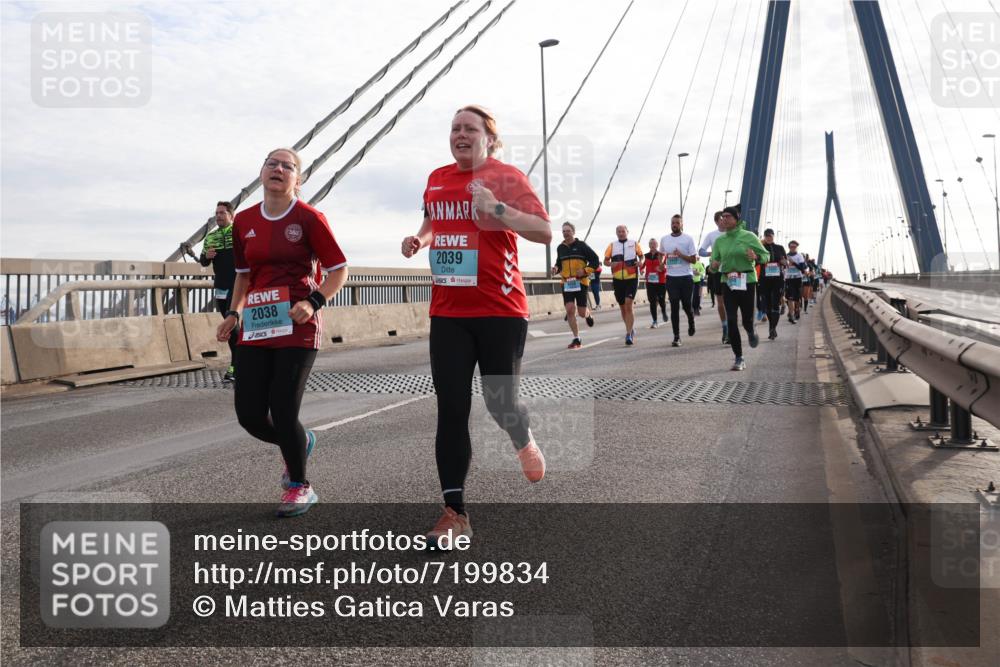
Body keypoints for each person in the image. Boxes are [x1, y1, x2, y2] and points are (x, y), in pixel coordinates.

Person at [401, 105, 551, 548]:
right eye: (454, 128)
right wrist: (420, 239)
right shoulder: (436, 178)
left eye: (470, 128)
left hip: (501, 310)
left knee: (499, 402)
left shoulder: (506, 176)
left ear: (490, 139)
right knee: (451, 409)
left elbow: (543, 231)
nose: (460, 134)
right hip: (448, 311)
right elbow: (433, 220)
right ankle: (455, 512)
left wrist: (497, 207)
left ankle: (521, 436)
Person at [217, 148, 349, 517]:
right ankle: (300, 441)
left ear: (298, 179)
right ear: (260, 172)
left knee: (284, 407)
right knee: (249, 415)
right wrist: (233, 313)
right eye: (271, 163)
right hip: (258, 325)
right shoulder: (242, 221)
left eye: (287, 166)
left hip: (297, 323)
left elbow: (339, 269)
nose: (278, 169)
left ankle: (299, 486)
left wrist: (314, 301)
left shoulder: (309, 218)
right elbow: (244, 275)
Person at [710, 205, 769, 371]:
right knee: (731, 320)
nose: (724, 219)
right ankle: (739, 357)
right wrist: (713, 265)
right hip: (728, 281)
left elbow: (766, 256)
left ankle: (751, 331)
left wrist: (756, 256)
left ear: (736, 219)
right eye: (722, 216)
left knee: (746, 320)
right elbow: (713, 266)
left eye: (728, 216)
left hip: (747, 280)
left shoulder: (749, 236)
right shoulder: (719, 241)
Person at [200, 201, 238, 382]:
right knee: (230, 328)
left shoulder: (238, 232)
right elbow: (203, 262)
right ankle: (241, 364)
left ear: (231, 215)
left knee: (232, 326)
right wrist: (206, 257)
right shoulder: (211, 237)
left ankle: (235, 367)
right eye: (216, 213)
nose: (219, 216)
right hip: (220, 287)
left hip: (238, 286)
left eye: (222, 213)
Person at [552, 222, 599, 349]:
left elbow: (595, 260)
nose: (565, 233)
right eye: (563, 231)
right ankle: (576, 338)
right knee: (570, 309)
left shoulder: (582, 246)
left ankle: (588, 314)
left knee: (582, 313)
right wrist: (556, 268)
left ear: (573, 232)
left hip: (581, 282)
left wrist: (585, 271)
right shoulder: (560, 248)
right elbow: (559, 263)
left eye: (568, 230)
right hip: (567, 282)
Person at [658, 214, 697, 347]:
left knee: (686, 305)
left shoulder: (688, 239)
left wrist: (680, 255)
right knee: (674, 306)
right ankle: (677, 337)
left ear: (682, 224)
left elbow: (694, 259)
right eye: (673, 223)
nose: (674, 225)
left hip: (686, 277)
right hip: (671, 278)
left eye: (677, 223)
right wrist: (662, 263)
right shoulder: (664, 239)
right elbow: (661, 254)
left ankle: (691, 321)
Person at [604, 225, 644, 345]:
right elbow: (605, 261)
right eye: (619, 232)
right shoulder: (612, 245)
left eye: (623, 231)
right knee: (622, 307)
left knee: (628, 304)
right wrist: (611, 264)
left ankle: (628, 333)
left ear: (627, 232)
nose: (621, 233)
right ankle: (630, 328)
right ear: (616, 233)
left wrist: (640, 262)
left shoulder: (634, 243)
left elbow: (642, 256)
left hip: (631, 278)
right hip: (617, 279)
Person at [699, 211, 729, 344]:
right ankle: (725, 327)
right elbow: (701, 251)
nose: (725, 220)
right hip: (717, 272)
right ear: (717, 222)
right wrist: (713, 253)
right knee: (721, 302)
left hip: (732, 271)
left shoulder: (733, 233)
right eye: (722, 219)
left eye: (726, 218)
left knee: (732, 302)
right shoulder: (712, 235)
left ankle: (732, 326)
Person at [758, 228, 787, 340]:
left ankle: (772, 328)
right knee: (768, 305)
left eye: (770, 235)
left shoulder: (779, 248)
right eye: (766, 235)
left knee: (775, 304)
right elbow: (756, 261)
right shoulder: (761, 248)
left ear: (773, 236)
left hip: (777, 279)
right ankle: (772, 327)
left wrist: (784, 262)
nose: (769, 237)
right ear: (764, 237)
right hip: (764, 279)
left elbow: (785, 263)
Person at [641, 238, 668, 328]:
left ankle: (663, 311)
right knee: (652, 301)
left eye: (654, 244)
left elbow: (667, 267)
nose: (652, 245)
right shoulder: (646, 256)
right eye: (651, 244)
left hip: (660, 281)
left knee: (661, 300)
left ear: (657, 245)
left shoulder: (662, 255)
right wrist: (641, 270)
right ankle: (655, 321)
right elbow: (642, 265)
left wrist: (661, 269)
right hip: (650, 281)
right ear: (649, 245)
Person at [784, 241, 807, 323]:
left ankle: (797, 310)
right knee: (790, 297)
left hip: (797, 279)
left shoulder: (799, 256)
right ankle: (791, 314)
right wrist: (785, 264)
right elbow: (783, 266)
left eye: (794, 246)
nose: (793, 248)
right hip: (788, 279)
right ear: (789, 247)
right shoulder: (785, 256)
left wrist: (793, 263)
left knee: (797, 298)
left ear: (797, 247)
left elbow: (802, 268)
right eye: (791, 246)